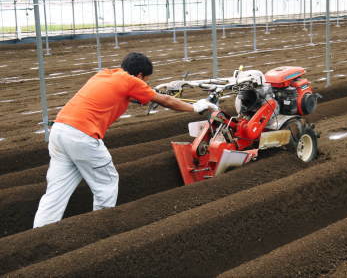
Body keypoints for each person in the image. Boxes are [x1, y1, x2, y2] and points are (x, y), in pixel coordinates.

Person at [33, 52, 218, 228]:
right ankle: (99, 228)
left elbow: (132, 97)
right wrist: (194, 107)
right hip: (82, 136)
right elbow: (165, 101)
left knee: (56, 191)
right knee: (107, 183)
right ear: (139, 75)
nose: (146, 83)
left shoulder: (105, 75)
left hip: (59, 131)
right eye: (146, 80)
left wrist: (147, 92)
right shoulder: (131, 82)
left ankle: (40, 230)